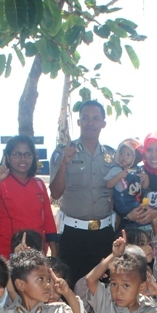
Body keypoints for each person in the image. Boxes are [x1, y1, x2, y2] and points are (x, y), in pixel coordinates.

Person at [49, 101, 118, 283]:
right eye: (85, 118)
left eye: (96, 119)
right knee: (70, 287)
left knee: (102, 288)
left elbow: (115, 194)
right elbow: (55, 193)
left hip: (104, 234)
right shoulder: (63, 152)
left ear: (103, 123)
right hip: (74, 234)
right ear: (78, 122)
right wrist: (64, 163)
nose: (90, 123)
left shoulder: (112, 155)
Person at [0, 135, 58, 259]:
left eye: (27, 154)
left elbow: (49, 221)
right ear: (7, 157)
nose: (23, 159)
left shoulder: (39, 184)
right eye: (17, 154)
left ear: (33, 157)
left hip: (36, 252)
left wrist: (54, 253)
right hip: (6, 253)